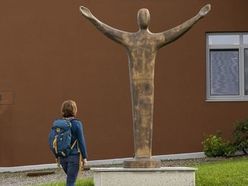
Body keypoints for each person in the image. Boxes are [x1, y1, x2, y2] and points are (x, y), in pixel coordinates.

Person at [59, 100, 87, 186]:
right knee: (71, 183)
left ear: (63, 110)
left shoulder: (59, 124)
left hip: (62, 158)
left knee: (71, 180)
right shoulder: (77, 124)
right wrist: (85, 157)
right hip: (73, 157)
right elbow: (81, 141)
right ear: (74, 110)